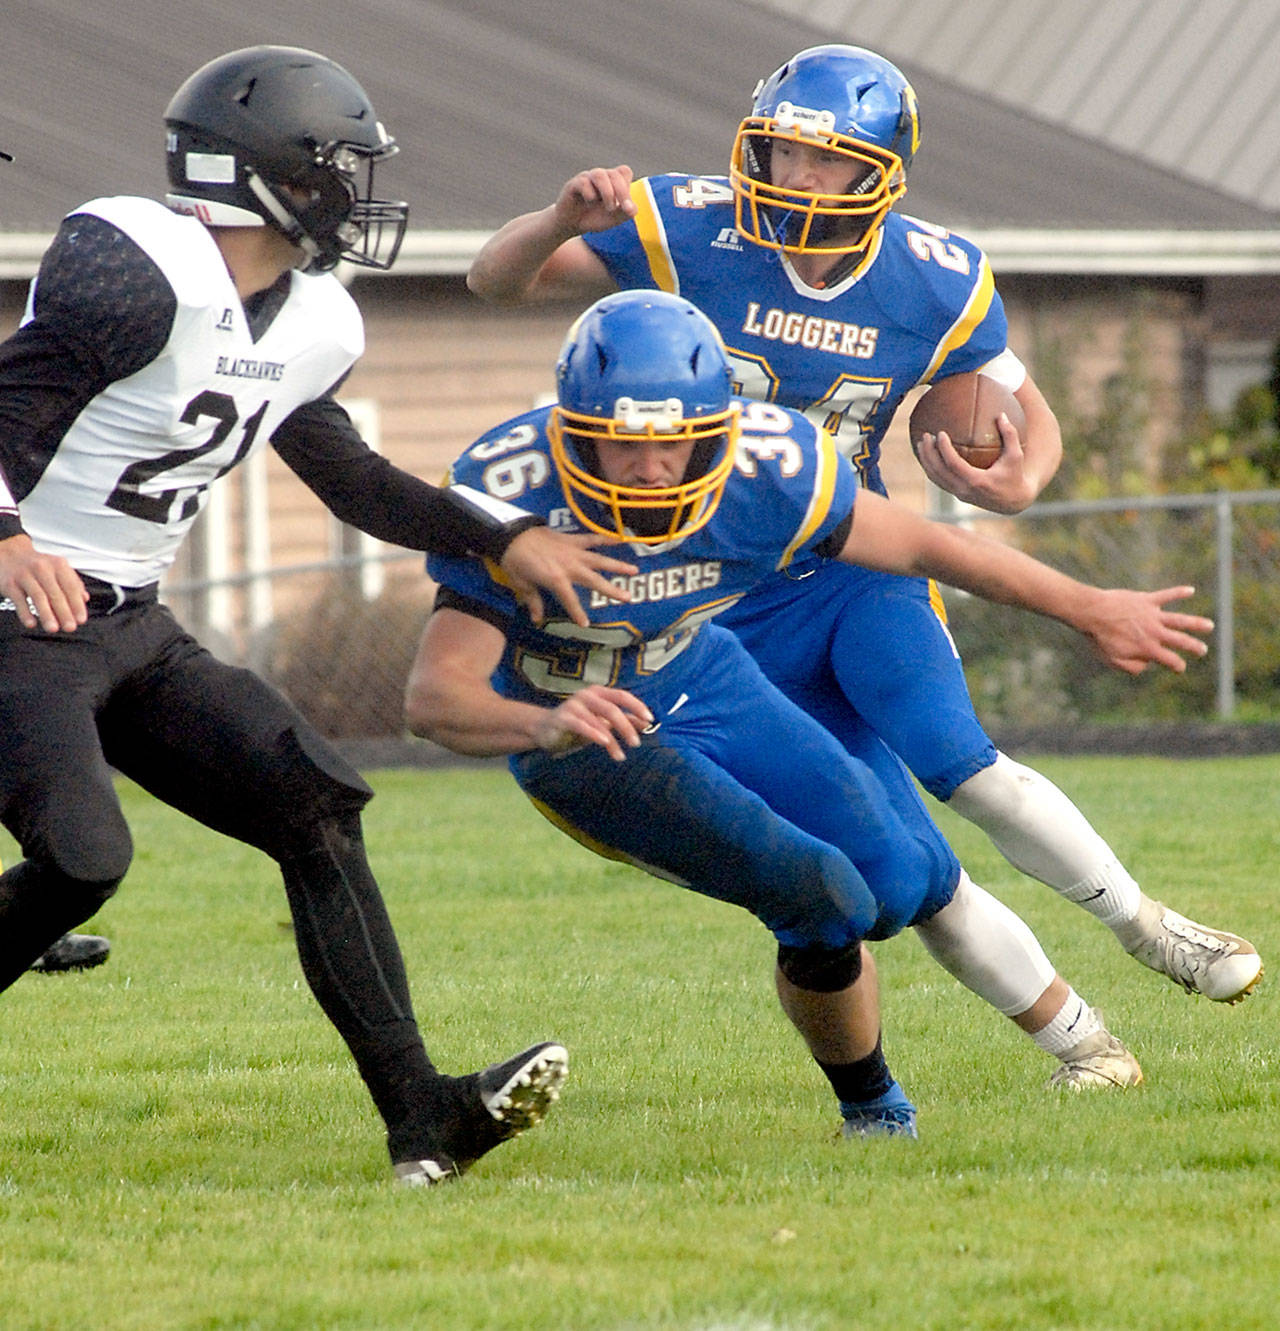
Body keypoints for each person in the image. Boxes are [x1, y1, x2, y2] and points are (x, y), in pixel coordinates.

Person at [464, 44, 1262, 1006]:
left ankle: (1149, 927)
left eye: (827, 157)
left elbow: (1017, 398)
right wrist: (557, 217)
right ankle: (1080, 1040)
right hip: (716, 599)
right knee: (903, 863)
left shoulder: (933, 276)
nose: (799, 176)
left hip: (850, 566)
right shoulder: (686, 224)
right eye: (785, 152)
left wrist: (1022, 480)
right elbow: (494, 282)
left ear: (880, 168)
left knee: (962, 764)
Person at [0, 46, 648, 1186]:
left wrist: (495, 536)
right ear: (265, 173)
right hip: (15, 613)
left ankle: (425, 1114)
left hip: (131, 620)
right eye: (334, 165)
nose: (352, 191)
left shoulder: (310, 320)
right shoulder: (137, 267)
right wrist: (10, 539)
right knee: (82, 857)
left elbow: (348, 478)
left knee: (314, 803)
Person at [405, 292, 1214, 1139]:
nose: (651, 471)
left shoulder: (768, 465)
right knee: (819, 896)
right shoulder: (510, 492)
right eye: (624, 444)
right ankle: (872, 1107)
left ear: (716, 428)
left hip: (702, 672)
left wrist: (1088, 607)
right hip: (588, 739)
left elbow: (926, 546)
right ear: (573, 428)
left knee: (902, 881)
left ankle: (1087, 1042)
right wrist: (545, 722)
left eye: (674, 445)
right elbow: (434, 699)